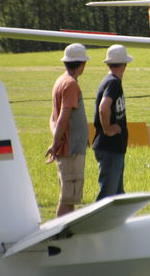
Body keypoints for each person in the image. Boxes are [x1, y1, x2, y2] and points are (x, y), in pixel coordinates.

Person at [46, 43, 90, 217]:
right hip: (71, 150)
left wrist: (57, 140)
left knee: (69, 198)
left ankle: (67, 230)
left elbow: (53, 118)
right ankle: (60, 231)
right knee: (67, 198)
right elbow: (63, 116)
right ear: (82, 64)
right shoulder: (71, 84)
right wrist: (56, 143)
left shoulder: (61, 81)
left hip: (68, 147)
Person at [93, 44, 133, 200]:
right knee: (107, 197)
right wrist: (108, 129)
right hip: (110, 148)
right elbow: (104, 108)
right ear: (124, 64)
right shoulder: (113, 82)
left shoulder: (110, 81)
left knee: (118, 196)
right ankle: (99, 217)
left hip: (114, 148)